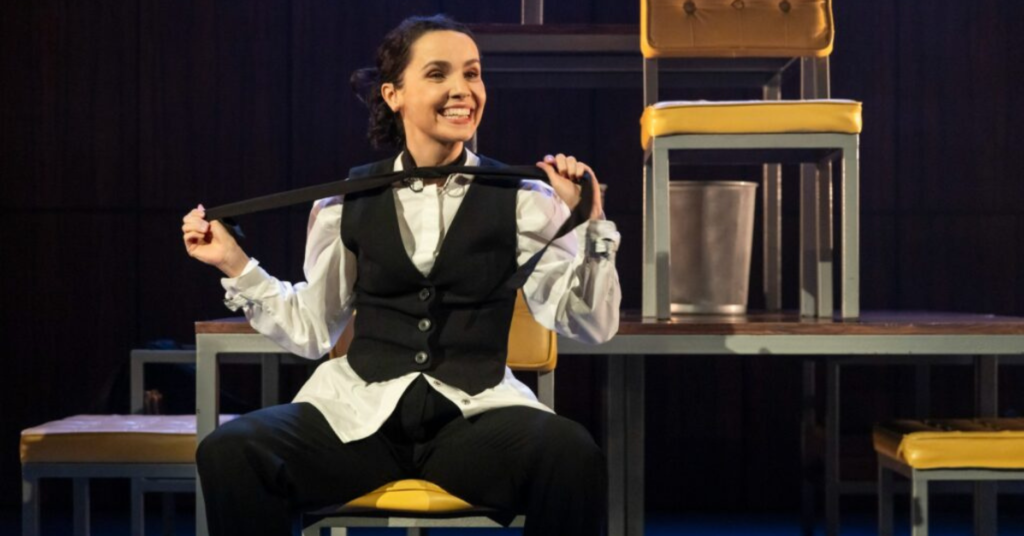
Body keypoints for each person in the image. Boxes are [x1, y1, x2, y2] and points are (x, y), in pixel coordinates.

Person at [181, 14, 621, 536]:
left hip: (473, 422)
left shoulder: (527, 200)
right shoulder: (345, 202)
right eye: (438, 74)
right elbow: (311, 330)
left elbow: (590, 325)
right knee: (232, 450)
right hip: (359, 421)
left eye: (472, 73)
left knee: (572, 455)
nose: (463, 89)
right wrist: (234, 263)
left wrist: (590, 224)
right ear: (394, 95)